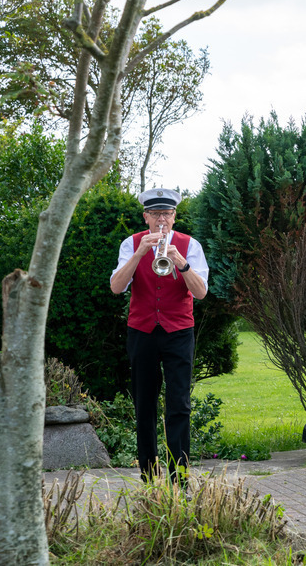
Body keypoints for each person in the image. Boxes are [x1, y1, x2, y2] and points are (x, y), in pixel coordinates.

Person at [110, 188, 209, 483]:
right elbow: (117, 287)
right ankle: (149, 478)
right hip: (142, 331)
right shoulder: (131, 244)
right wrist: (140, 252)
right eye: (155, 214)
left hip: (178, 332)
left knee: (179, 404)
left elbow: (201, 292)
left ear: (175, 216)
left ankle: (179, 478)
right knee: (144, 404)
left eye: (166, 214)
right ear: (146, 217)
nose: (161, 220)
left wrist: (182, 263)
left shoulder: (190, 246)